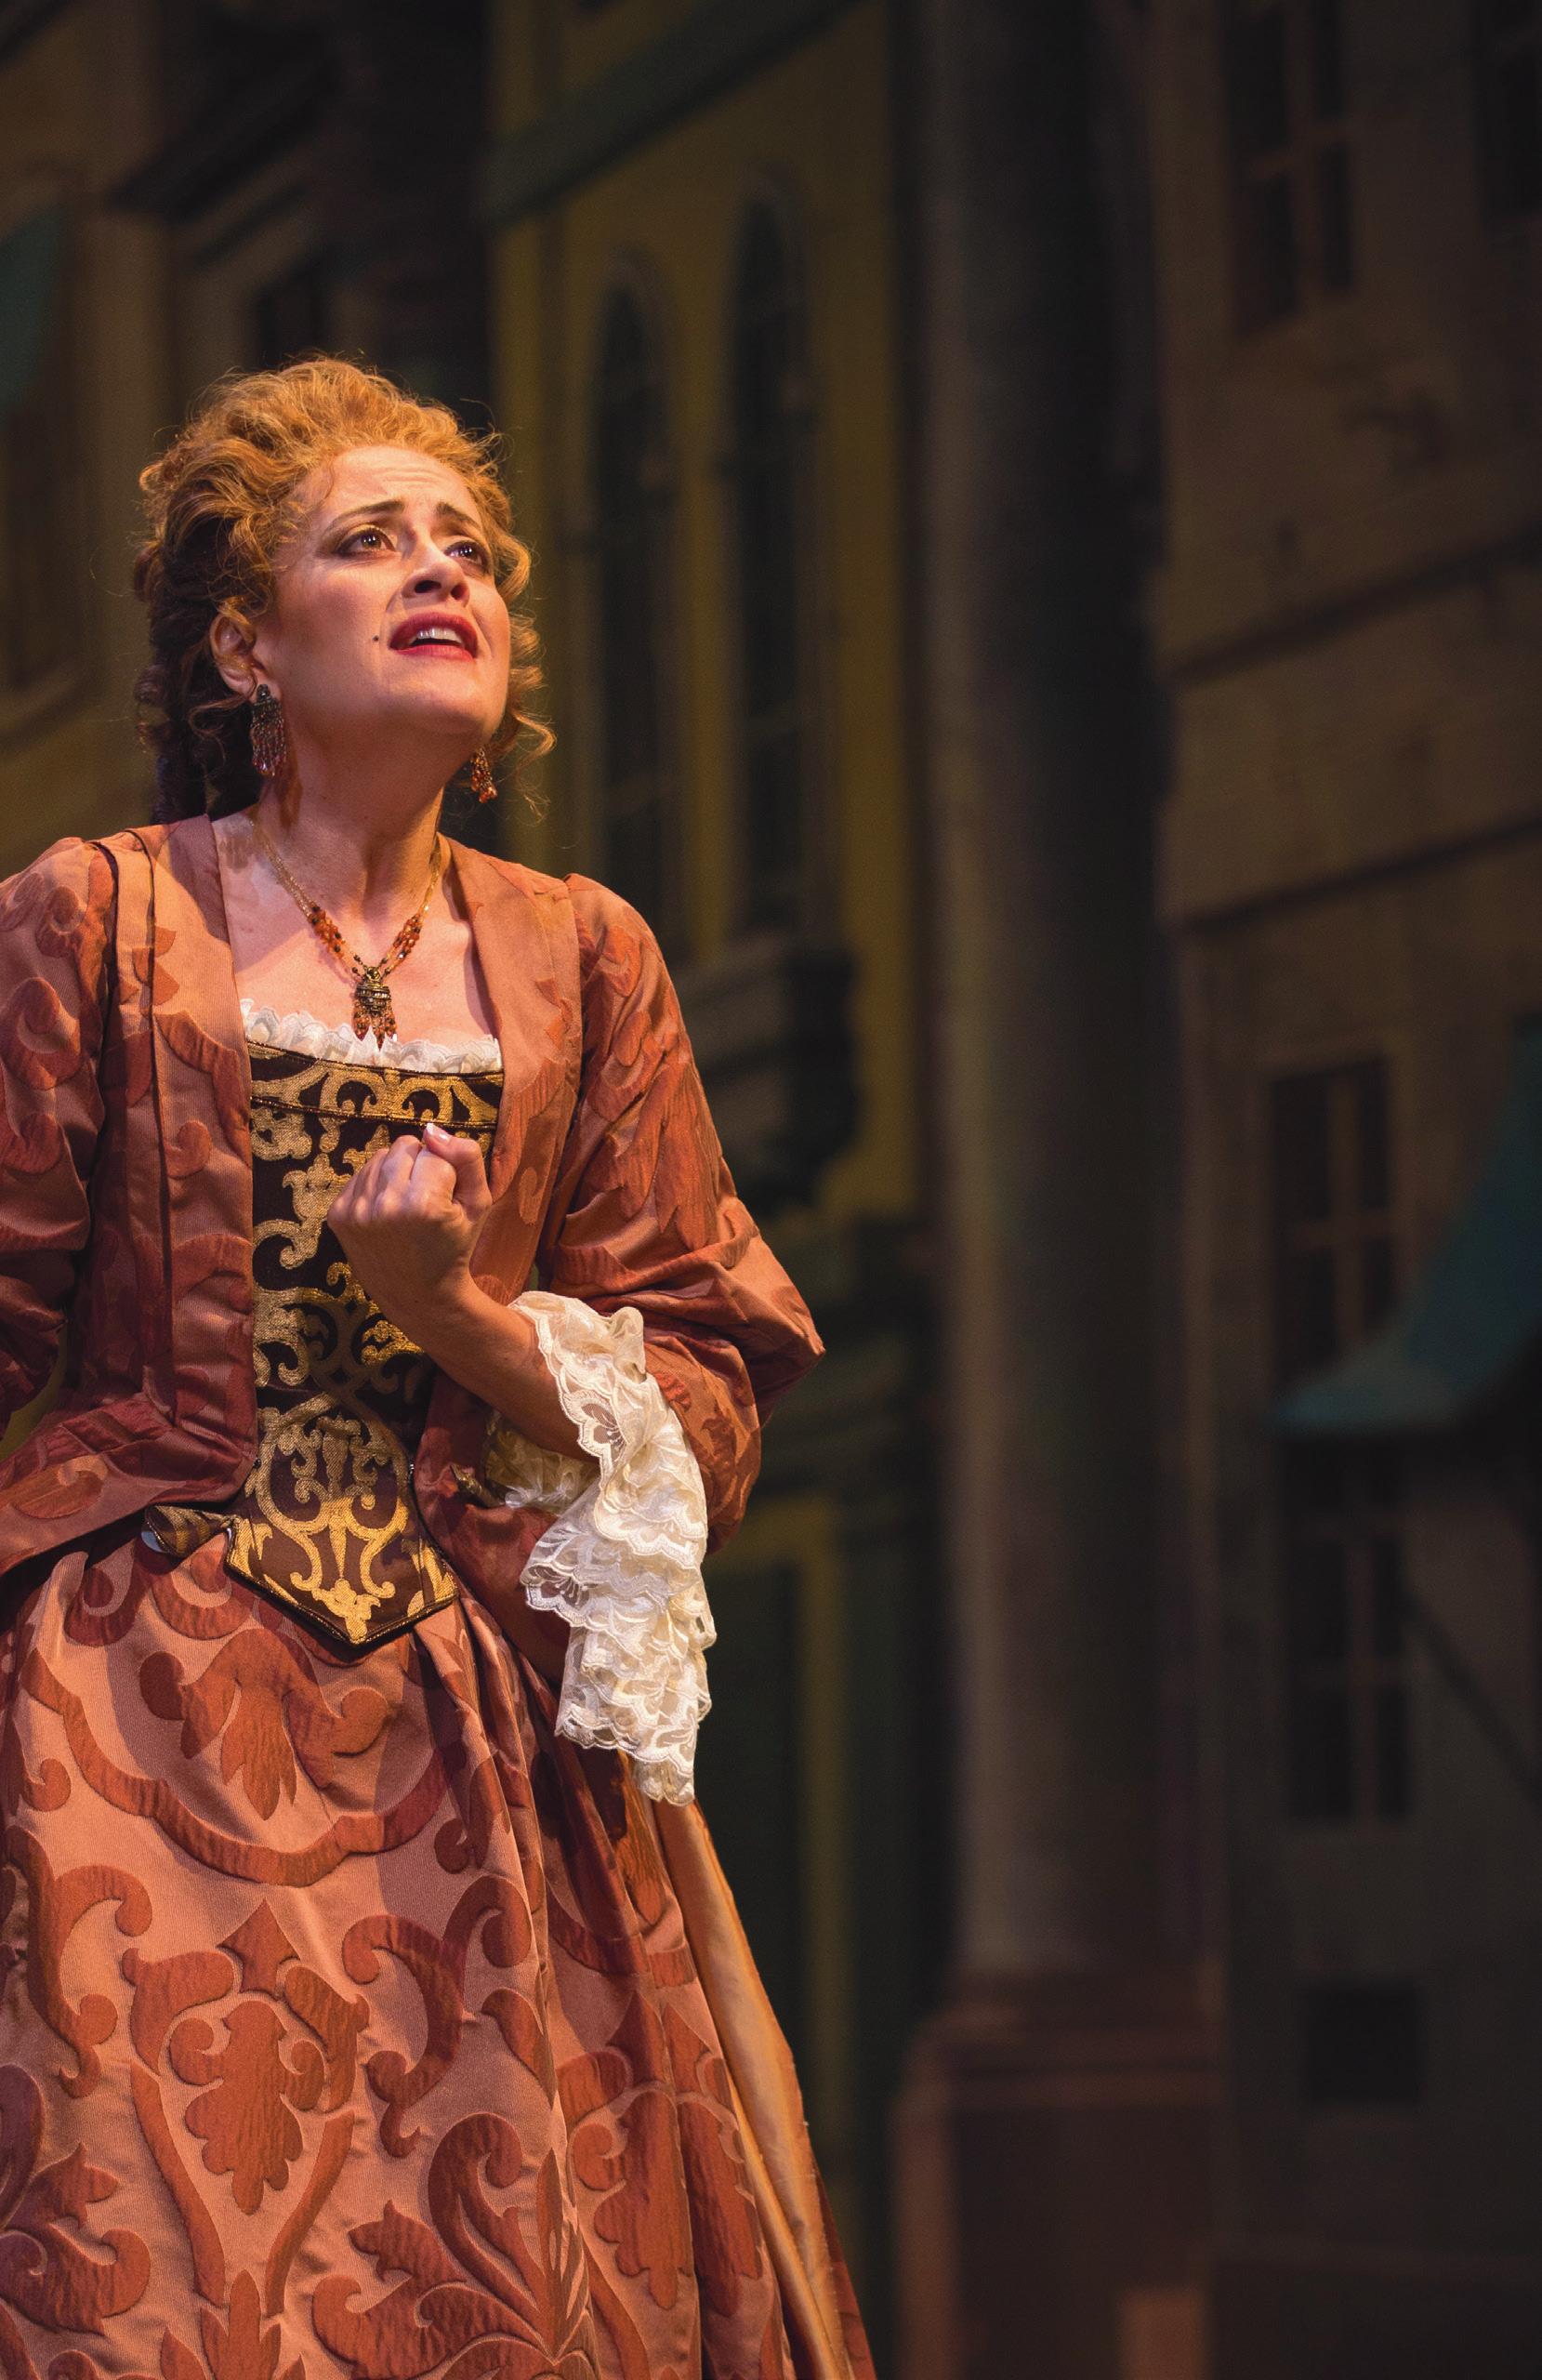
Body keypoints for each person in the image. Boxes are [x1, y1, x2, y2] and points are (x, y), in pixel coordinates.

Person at [0, 359, 874, 2380]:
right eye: (371, 539)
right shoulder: (99, 921)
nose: (440, 569)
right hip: (130, 1710)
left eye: (468, 546)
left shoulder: (585, 957)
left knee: (482, 2256)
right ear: (245, 642)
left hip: (468, 1732)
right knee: (146, 2268)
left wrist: (458, 1318)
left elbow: (711, 1367)